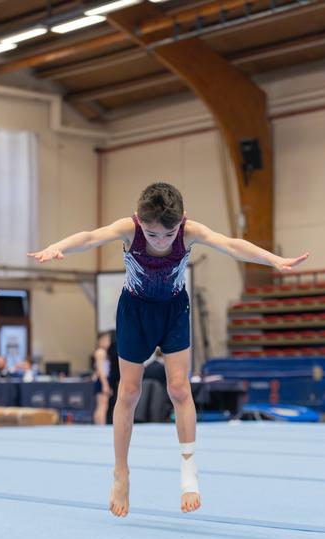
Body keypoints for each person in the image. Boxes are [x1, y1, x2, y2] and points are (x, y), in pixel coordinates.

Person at [28, 182, 309, 517]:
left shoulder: (190, 232)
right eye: (152, 234)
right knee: (128, 392)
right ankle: (121, 472)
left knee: (179, 388)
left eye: (168, 234)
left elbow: (231, 246)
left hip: (175, 309)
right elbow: (90, 237)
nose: (160, 241)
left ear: (182, 221)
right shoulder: (128, 229)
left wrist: (273, 260)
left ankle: (189, 471)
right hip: (134, 312)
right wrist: (57, 247)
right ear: (139, 220)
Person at [93, 331, 113, 425]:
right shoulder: (101, 352)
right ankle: (101, 426)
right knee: (103, 406)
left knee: (102, 406)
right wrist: (105, 384)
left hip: (102, 379)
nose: (107, 343)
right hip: (102, 380)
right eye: (105, 340)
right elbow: (101, 370)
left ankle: (99, 425)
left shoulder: (102, 352)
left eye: (108, 340)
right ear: (99, 341)